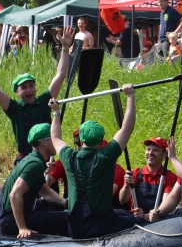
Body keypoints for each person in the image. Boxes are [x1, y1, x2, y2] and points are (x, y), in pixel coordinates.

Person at [48, 85, 148, 238]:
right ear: (102, 141)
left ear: (80, 141)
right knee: (144, 226)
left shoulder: (69, 157)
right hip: (101, 226)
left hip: (75, 228)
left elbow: (55, 137)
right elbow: (127, 128)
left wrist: (56, 113)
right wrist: (130, 96)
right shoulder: (106, 156)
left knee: (121, 215)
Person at [0, 27, 74, 165]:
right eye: (23, 88)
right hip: (25, 161)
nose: (29, 90)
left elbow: (60, 75)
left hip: (48, 160)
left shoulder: (44, 101)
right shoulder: (14, 108)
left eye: (31, 86)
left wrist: (65, 48)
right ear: (17, 92)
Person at [0, 123, 69, 238]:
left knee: (50, 207)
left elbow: (45, 192)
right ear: (43, 142)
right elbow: (14, 195)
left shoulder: (32, 159)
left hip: (1, 217)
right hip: (8, 220)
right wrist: (22, 228)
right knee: (67, 218)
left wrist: (65, 203)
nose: (57, 143)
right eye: (54, 139)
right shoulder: (35, 164)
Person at [119, 137, 179, 219]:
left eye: (155, 150)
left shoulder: (170, 177)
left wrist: (145, 216)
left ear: (164, 155)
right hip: (134, 219)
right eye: (148, 149)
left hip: (157, 220)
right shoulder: (135, 173)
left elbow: (166, 204)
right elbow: (122, 200)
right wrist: (127, 186)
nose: (150, 153)